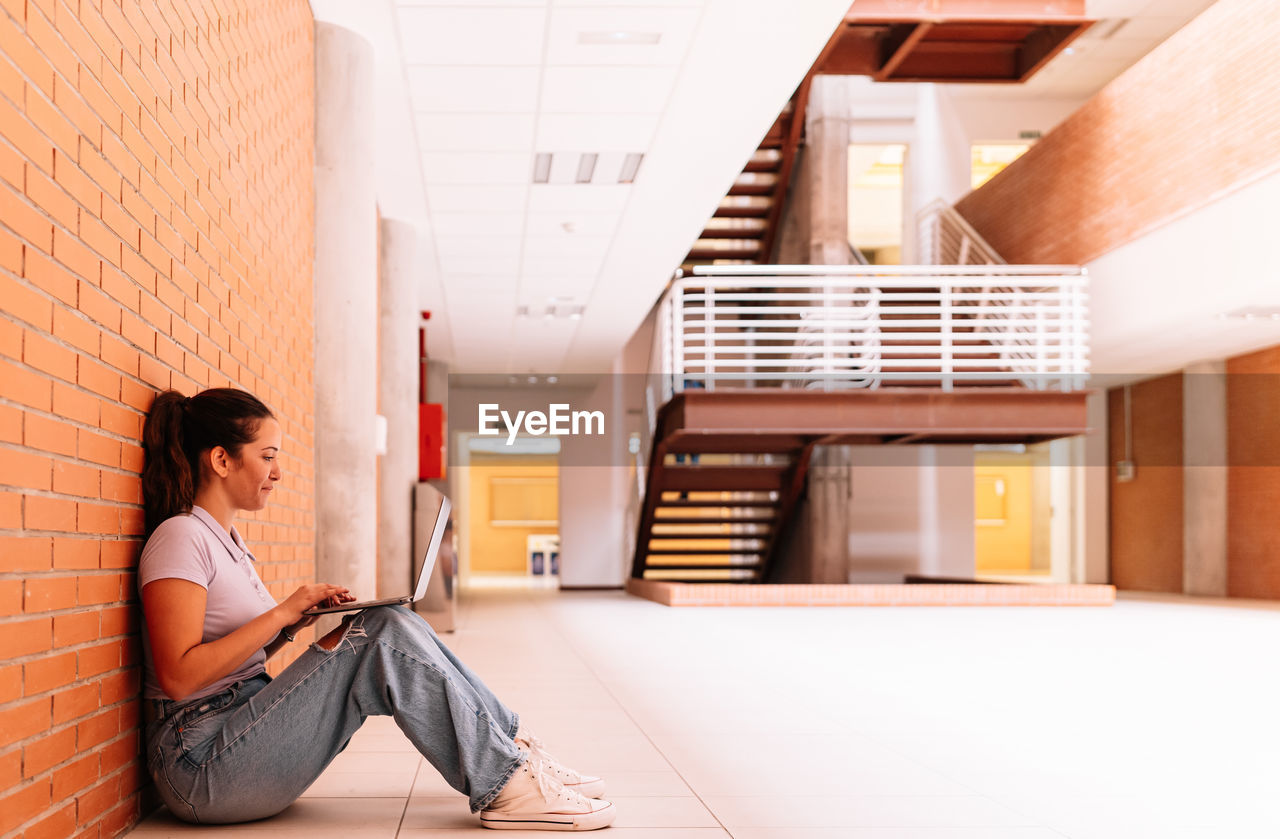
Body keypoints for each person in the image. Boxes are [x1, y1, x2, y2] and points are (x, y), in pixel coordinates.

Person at [137, 387, 615, 830]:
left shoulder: (227, 541)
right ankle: (509, 787)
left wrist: (292, 625)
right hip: (198, 764)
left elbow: (233, 650)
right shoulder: (181, 537)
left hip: (241, 724)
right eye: (267, 456)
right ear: (221, 459)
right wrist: (282, 613)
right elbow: (178, 675)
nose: (278, 472)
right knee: (381, 633)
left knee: (392, 619)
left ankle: (514, 752)